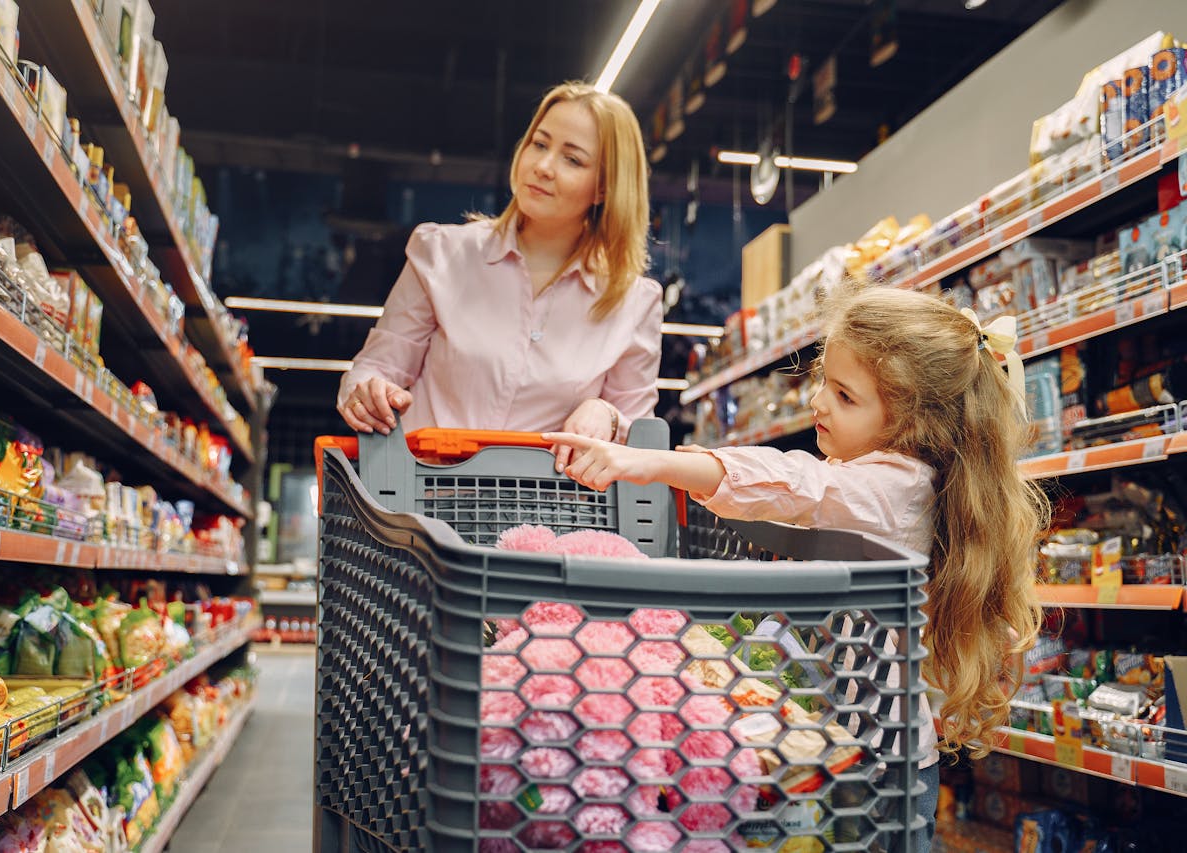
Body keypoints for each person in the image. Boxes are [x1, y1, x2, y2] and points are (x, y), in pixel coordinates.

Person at [546, 285, 1049, 851]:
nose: (819, 403)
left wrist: (652, 464)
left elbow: (797, 483)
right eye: (822, 382)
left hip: (880, 773)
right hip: (850, 748)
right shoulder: (884, 473)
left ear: (914, 423)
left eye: (845, 395)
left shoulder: (896, 487)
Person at [338, 82, 663, 470]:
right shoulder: (442, 254)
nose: (543, 166)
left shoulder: (633, 302)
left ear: (605, 188)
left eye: (572, 160)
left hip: (549, 520)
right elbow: (376, 367)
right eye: (539, 144)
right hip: (421, 507)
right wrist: (368, 392)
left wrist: (606, 415)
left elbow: (640, 442)